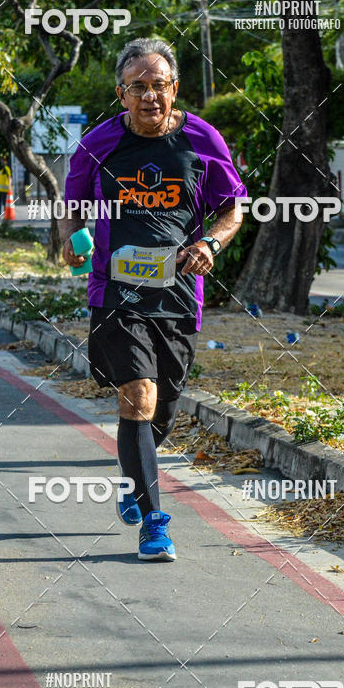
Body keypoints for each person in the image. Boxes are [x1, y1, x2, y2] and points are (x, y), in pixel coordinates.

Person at [60, 37, 245, 562]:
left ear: (174, 88)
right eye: (137, 87)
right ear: (121, 94)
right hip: (116, 293)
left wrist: (210, 242)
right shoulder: (98, 144)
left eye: (158, 85)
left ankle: (132, 479)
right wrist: (73, 241)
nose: (149, 97)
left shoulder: (202, 139)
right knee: (137, 395)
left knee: (163, 403)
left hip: (179, 292)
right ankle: (154, 524)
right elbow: (71, 206)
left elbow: (233, 209)